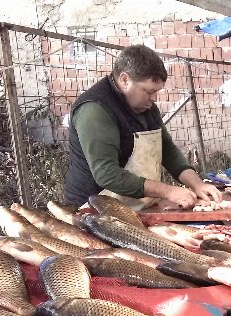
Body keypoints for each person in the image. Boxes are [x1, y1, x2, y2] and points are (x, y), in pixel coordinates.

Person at [65, 44, 221, 209]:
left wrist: (197, 184)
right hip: (92, 211)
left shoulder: (146, 107)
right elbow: (107, 174)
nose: (154, 98)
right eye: (148, 91)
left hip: (132, 206)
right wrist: (168, 191)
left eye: (157, 91)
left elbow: (167, 149)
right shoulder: (95, 110)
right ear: (125, 80)